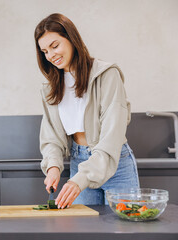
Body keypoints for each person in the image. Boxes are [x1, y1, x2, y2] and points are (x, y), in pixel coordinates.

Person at [34, 13, 139, 209]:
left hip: (115, 164)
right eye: (45, 51)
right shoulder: (50, 89)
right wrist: (53, 166)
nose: (51, 55)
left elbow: (112, 135)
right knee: (85, 231)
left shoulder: (107, 75)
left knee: (124, 231)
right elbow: (51, 136)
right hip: (79, 163)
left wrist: (80, 179)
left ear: (72, 38)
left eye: (55, 46)